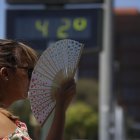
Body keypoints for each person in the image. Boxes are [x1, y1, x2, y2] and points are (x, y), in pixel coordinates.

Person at [0, 39, 76, 140]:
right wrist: (61, 107)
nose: (33, 78)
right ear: (5, 74)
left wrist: (60, 107)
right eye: (29, 71)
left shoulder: (9, 120)